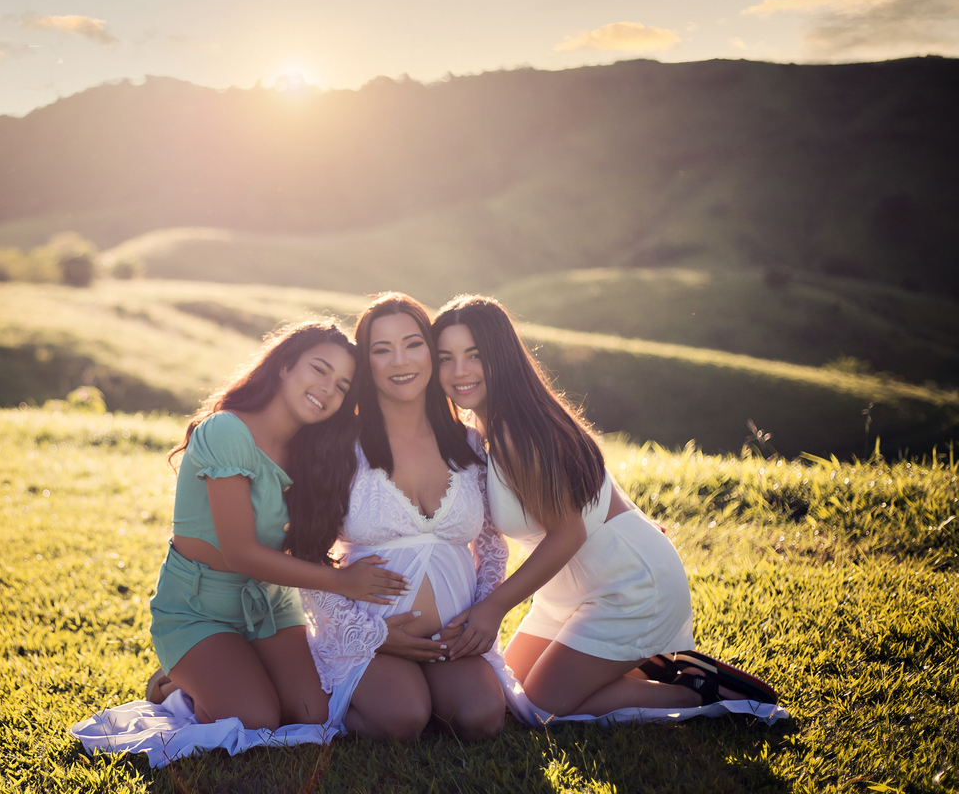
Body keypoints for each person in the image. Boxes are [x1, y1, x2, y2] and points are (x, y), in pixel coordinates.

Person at [430, 295, 778, 716]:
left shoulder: (518, 429)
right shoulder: (486, 426)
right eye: (445, 358)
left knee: (541, 709)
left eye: (474, 355)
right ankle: (632, 666)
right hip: (570, 588)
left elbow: (569, 531)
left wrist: (494, 607)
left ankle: (698, 690)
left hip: (626, 586)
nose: (458, 371)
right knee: (510, 692)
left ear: (501, 357)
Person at [145, 319, 410, 731]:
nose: (328, 388)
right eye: (320, 369)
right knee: (254, 718)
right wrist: (342, 582)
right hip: (199, 609)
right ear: (285, 365)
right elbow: (241, 553)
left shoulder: (313, 451)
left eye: (342, 386)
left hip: (269, 604)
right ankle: (173, 686)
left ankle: (233, 670)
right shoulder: (227, 430)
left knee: (311, 714)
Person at [288, 293, 512, 742]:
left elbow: (489, 543)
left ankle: (434, 687)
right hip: (372, 637)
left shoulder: (468, 444)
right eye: (381, 349)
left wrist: (481, 615)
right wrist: (366, 633)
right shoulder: (337, 444)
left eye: (412, 344)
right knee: (402, 718)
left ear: (431, 351)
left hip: (454, 637)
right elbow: (305, 555)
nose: (399, 361)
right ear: (365, 362)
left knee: (483, 717)